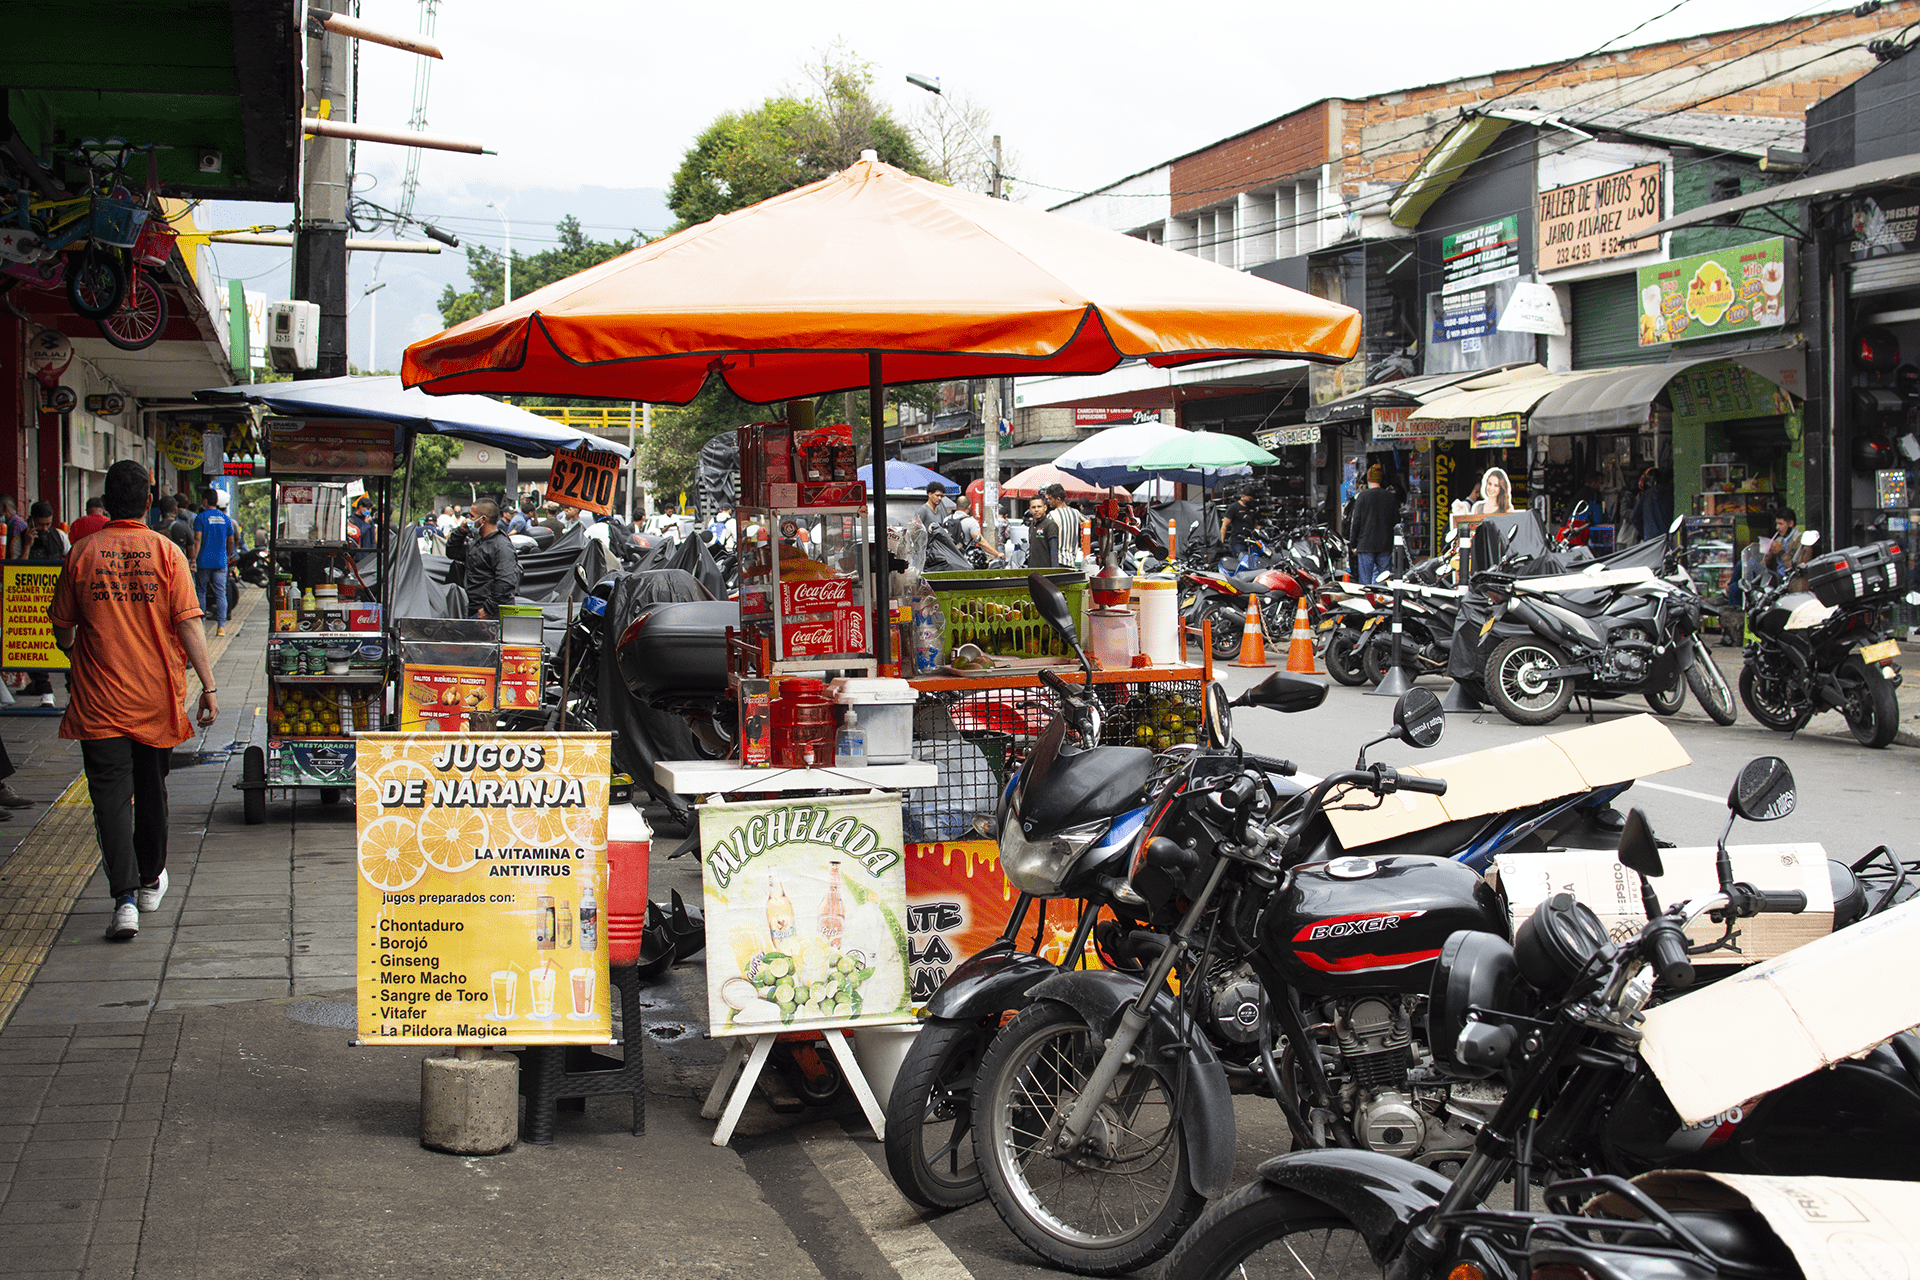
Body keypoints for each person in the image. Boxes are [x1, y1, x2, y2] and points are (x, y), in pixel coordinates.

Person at [50, 459, 216, 941]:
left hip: (97, 702)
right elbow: (188, 622)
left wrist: (72, 649)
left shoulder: (81, 552)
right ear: (148, 501)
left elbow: (62, 624)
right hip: (155, 700)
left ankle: (123, 901)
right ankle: (149, 881)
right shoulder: (167, 552)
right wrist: (209, 685)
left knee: (109, 803)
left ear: (105, 501)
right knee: (152, 793)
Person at [190, 489, 238, 637]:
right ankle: (221, 627)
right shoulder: (225, 518)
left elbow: (197, 540)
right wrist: (227, 554)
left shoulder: (200, 518)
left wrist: (193, 559)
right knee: (220, 593)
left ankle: (202, 625)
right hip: (220, 561)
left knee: (201, 592)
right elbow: (230, 540)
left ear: (205, 501)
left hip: (204, 561)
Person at [463, 500, 520, 620]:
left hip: (489, 613)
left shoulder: (501, 546)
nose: (468, 519)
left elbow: (506, 581)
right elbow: (453, 552)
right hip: (474, 608)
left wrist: (488, 608)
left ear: (483, 519)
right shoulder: (478, 541)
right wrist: (460, 531)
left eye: (472, 516)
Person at [1347, 465, 1400, 585]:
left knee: (1365, 581)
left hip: (1365, 544)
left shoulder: (1363, 496)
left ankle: (1366, 602)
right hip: (1384, 544)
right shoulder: (1390, 497)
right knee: (1385, 581)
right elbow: (1396, 521)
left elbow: (1356, 522)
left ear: (1368, 479)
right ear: (1381, 479)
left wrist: (1354, 544)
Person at [1760, 508, 1815, 583]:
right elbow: (1765, 563)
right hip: (1777, 575)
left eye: (1781, 524)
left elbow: (1799, 567)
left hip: (1790, 579)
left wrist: (1781, 553)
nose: (1777, 527)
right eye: (1777, 524)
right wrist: (1767, 552)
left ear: (1790, 524)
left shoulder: (1802, 541)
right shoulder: (1780, 540)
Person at [1044, 485, 1085, 568]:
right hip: (1072, 561)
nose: (1048, 501)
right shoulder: (1075, 513)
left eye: (1050, 498)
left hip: (1058, 561)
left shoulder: (1052, 515)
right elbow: (1088, 522)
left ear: (1058, 499)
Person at [1630, 467, 1672, 543]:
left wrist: (1645, 534)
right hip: (1667, 538)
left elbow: (1633, 517)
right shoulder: (1671, 495)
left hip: (1650, 540)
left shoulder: (1646, 496)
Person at [1025, 496, 1055, 568]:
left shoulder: (1050, 525)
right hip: (1033, 571)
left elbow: (1054, 551)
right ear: (1030, 509)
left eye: (1039, 506)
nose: (1036, 510)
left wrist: (1055, 571)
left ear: (1045, 507)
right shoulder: (1031, 526)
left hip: (1046, 571)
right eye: (1033, 507)